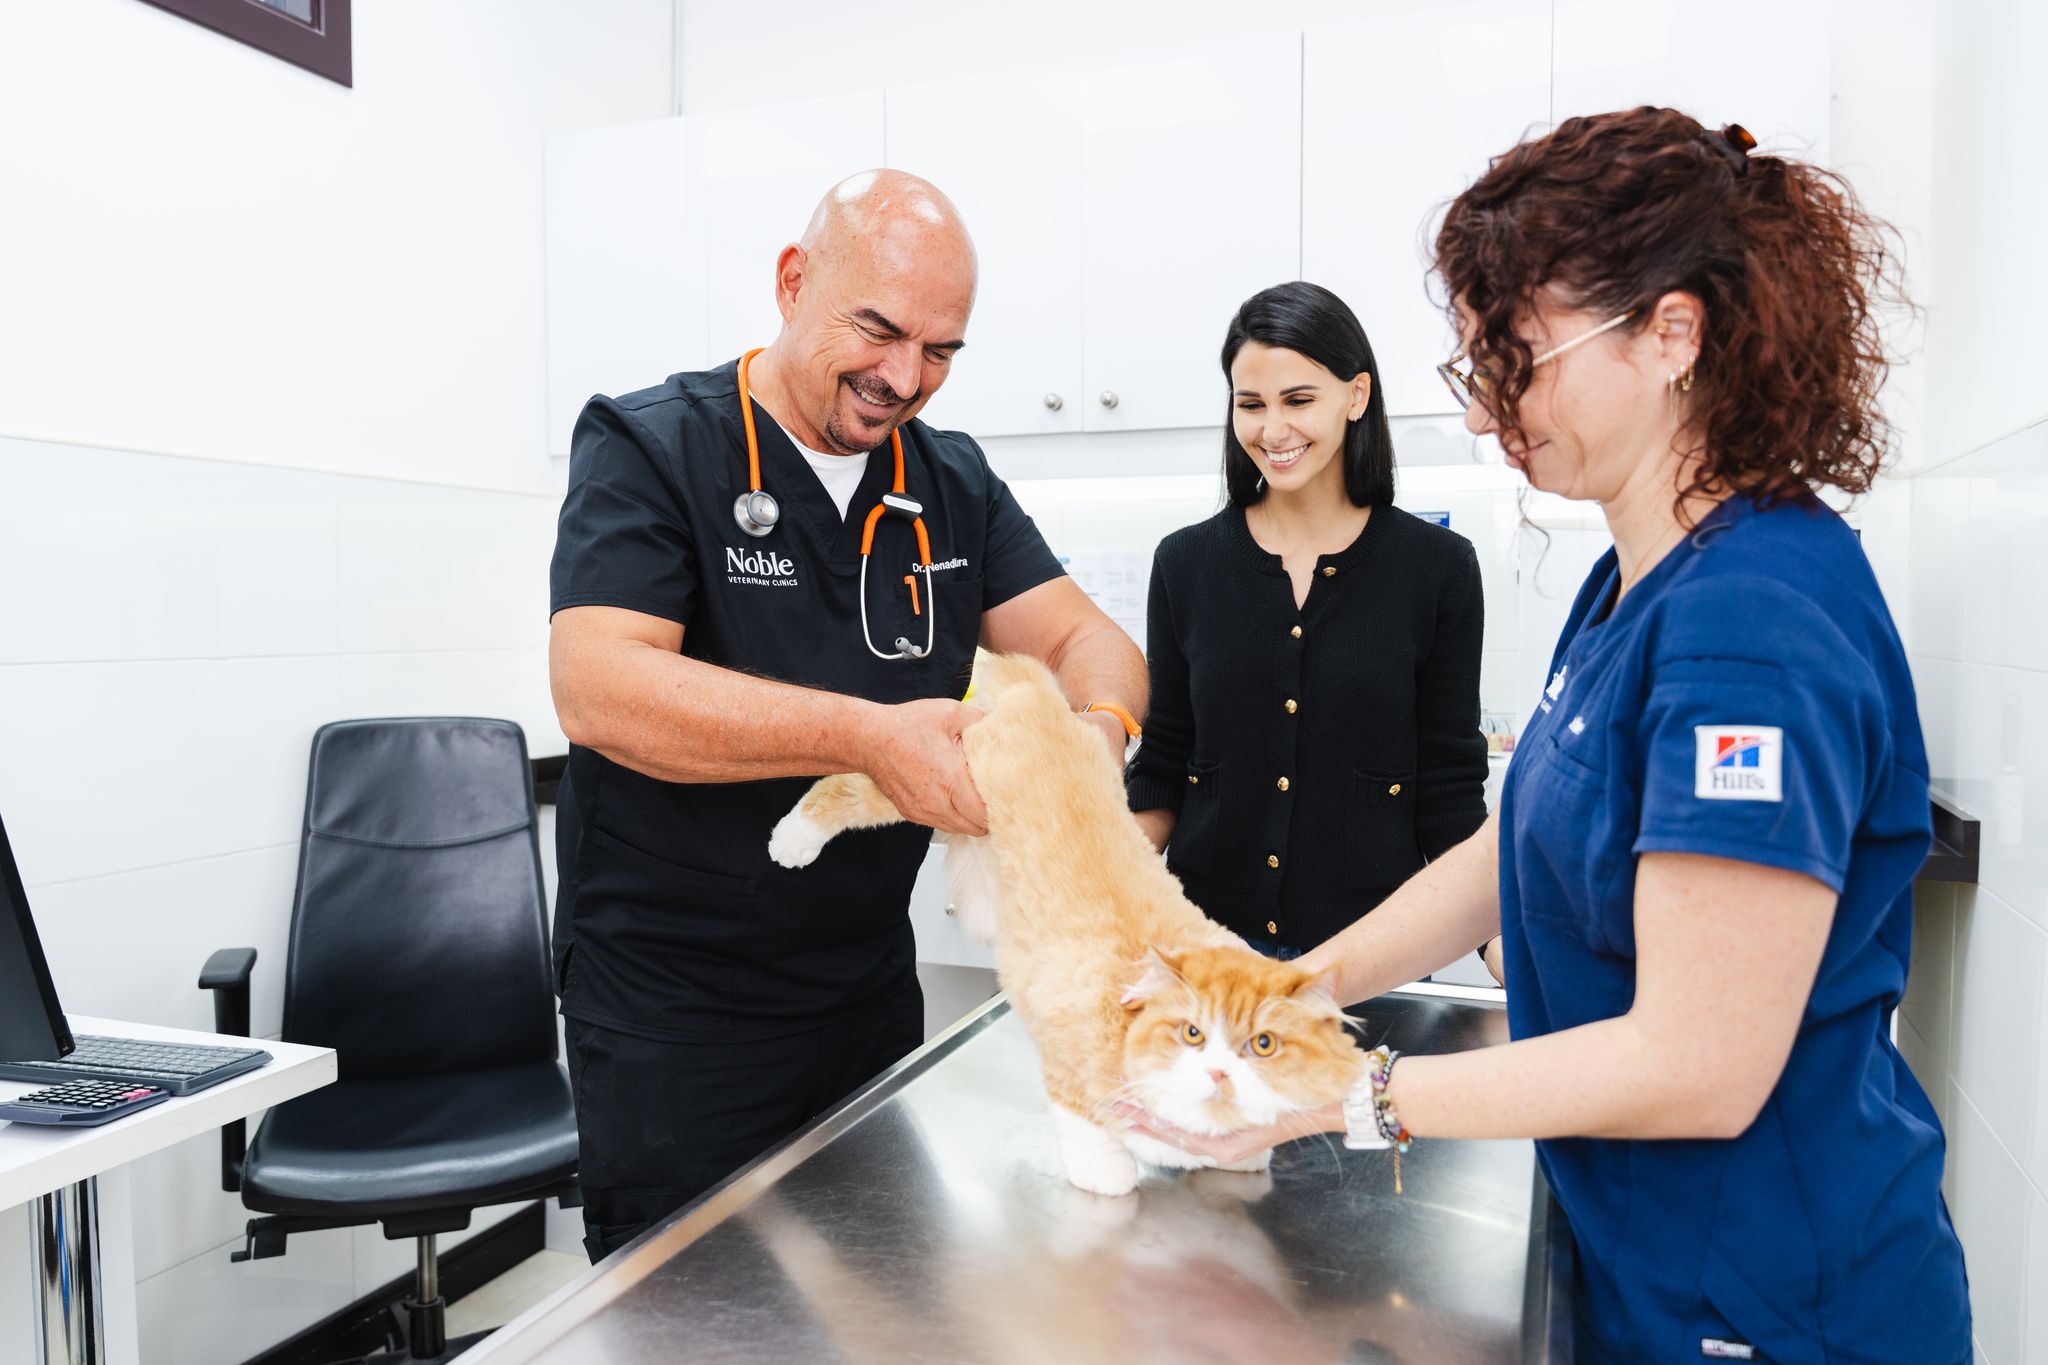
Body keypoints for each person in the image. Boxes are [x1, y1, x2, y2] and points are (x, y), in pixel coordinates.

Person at [1121, 109, 1970, 1363]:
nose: (1482, 415)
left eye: (1513, 358)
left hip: (1768, 1300)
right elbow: (1507, 842)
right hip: (1643, 1255)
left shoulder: (1751, 620)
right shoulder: (1631, 581)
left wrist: (1336, 1097)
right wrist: (1294, 989)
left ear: (1671, 333)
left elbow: (1699, 1061)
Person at [548, 169, 1145, 1262]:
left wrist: (1094, 737)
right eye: (877, 329)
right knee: (692, 1321)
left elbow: (1086, 644)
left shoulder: (948, 478)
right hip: (678, 1016)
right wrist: (867, 735)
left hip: (866, 994)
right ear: (791, 283)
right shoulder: (651, 448)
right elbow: (599, 689)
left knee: (880, 1300)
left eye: (941, 351)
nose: (903, 377)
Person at [1126, 280, 1487, 958]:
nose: (1273, 430)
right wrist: (1098, 900)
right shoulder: (1185, 564)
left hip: (1375, 954)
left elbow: (1449, 793)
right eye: (1251, 404)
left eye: (1298, 400)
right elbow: (1165, 764)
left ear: (1356, 396)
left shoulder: (1436, 569)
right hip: (1207, 953)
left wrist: (1506, 957)